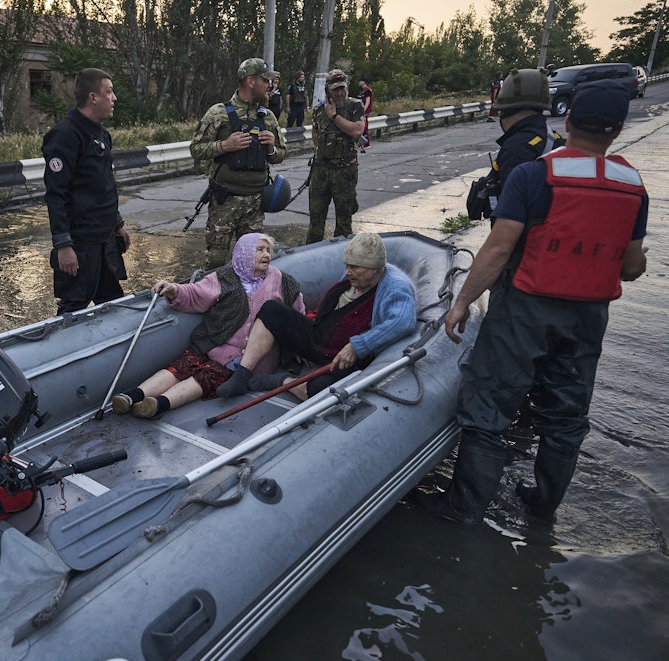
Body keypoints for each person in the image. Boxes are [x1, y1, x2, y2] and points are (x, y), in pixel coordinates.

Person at [419, 81, 649, 526]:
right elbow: (632, 267)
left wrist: (463, 301)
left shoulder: (535, 175)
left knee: (489, 404)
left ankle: (464, 508)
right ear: (617, 132)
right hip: (587, 317)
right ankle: (542, 508)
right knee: (566, 414)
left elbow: (499, 247)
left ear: (568, 121)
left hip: (525, 306)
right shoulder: (633, 186)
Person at [111, 233, 304, 418]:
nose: (267, 255)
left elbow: (297, 317)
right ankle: (133, 396)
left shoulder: (282, 281)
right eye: (260, 250)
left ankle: (159, 404)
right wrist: (173, 290)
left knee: (207, 376)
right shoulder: (224, 277)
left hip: (252, 359)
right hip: (214, 344)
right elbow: (196, 294)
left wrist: (300, 350)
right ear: (244, 253)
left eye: (268, 250)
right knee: (181, 365)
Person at [216, 233, 417, 400]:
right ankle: (242, 376)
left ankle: (279, 381)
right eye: (347, 265)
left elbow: (403, 321)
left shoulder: (395, 286)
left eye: (354, 267)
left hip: (347, 358)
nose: (347, 272)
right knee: (272, 309)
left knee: (318, 391)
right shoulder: (353, 277)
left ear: (374, 269)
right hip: (321, 337)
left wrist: (357, 346)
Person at [42, 68, 132, 315]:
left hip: (104, 240)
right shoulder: (65, 136)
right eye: (109, 92)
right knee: (74, 307)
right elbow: (55, 195)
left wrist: (117, 224)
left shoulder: (101, 134)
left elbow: (102, 186)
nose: (114, 98)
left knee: (113, 302)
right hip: (79, 244)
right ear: (93, 97)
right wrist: (63, 246)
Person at [190, 57, 287, 269]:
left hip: (255, 202)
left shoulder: (268, 117)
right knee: (216, 261)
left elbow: (280, 155)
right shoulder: (219, 113)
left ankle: (248, 300)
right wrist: (224, 146)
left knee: (252, 262)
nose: (269, 85)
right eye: (265, 80)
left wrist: (271, 147)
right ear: (251, 81)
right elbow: (196, 149)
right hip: (225, 201)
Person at [469, 68, 566, 221]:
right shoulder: (555, 138)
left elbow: (511, 216)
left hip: (525, 242)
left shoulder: (518, 148)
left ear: (506, 109)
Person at [306, 69, 365, 244]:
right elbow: (315, 133)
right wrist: (323, 150)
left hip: (345, 170)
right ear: (328, 90)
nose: (339, 93)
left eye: (342, 88)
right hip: (321, 170)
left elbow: (356, 130)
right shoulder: (318, 110)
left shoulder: (355, 106)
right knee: (316, 219)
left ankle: (343, 259)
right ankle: (311, 257)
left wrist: (334, 115)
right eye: (335, 89)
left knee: (344, 220)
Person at [357, 76, 373, 148]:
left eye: (360, 81)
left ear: (363, 82)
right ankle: (362, 142)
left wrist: (364, 110)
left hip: (365, 111)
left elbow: (368, 101)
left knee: (364, 126)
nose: (359, 82)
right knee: (361, 126)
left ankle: (367, 143)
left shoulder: (367, 90)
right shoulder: (361, 91)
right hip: (360, 110)